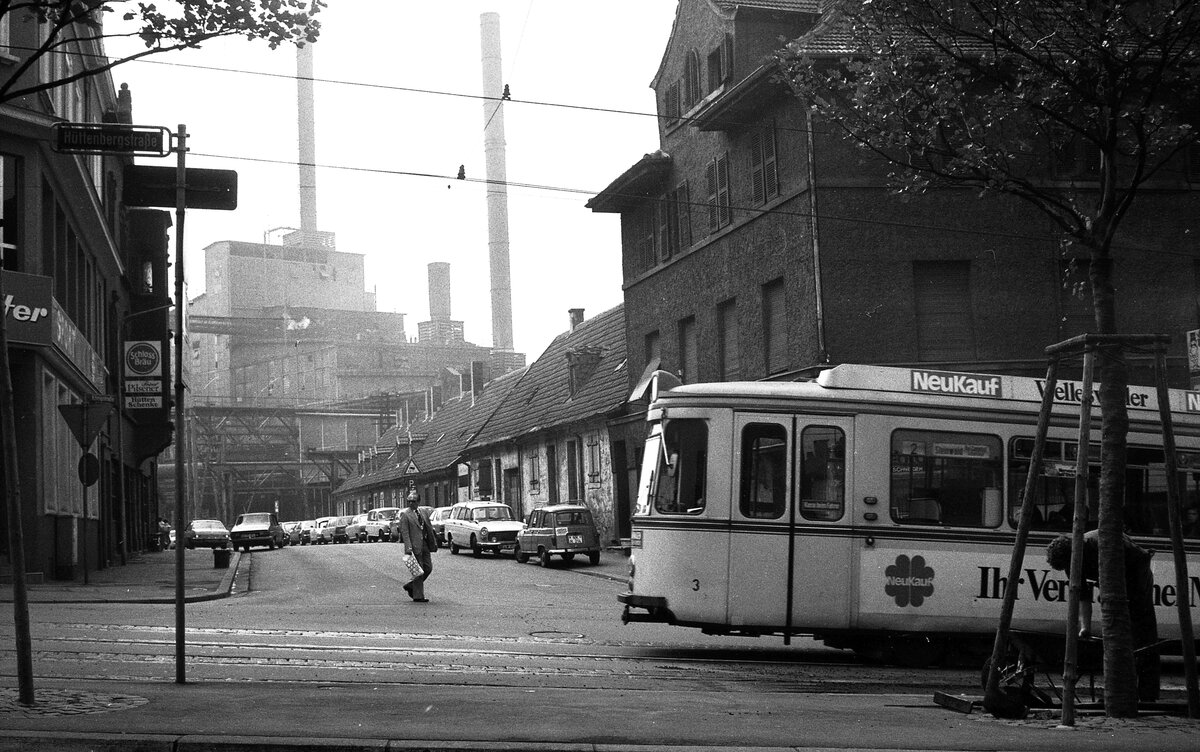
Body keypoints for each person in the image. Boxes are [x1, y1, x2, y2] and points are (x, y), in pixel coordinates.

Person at [1045, 528, 1159, 702]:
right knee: (1123, 636)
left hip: (1137, 574)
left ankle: (1146, 694)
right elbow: (1081, 594)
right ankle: (1126, 692)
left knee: (1143, 636)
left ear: (1074, 554)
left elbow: (1119, 575)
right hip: (1120, 578)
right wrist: (1085, 628)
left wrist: (1109, 593)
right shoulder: (1072, 558)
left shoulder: (1100, 544)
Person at [397, 488, 438, 602]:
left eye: (413, 501)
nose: (411, 503)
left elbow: (428, 528)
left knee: (428, 568)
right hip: (414, 546)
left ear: (418, 502)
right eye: (409, 501)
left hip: (424, 543)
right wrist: (408, 548)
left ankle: (411, 585)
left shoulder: (423, 512)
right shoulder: (405, 515)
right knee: (418, 571)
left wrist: (433, 542)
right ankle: (418, 596)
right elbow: (405, 533)